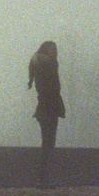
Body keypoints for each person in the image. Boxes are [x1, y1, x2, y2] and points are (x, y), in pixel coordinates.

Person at [27, 40, 66, 185]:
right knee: (48, 143)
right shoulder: (49, 65)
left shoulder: (40, 65)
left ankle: (43, 178)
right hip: (49, 108)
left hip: (45, 108)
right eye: (53, 49)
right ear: (46, 51)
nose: (56, 51)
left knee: (47, 143)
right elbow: (52, 89)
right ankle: (43, 178)